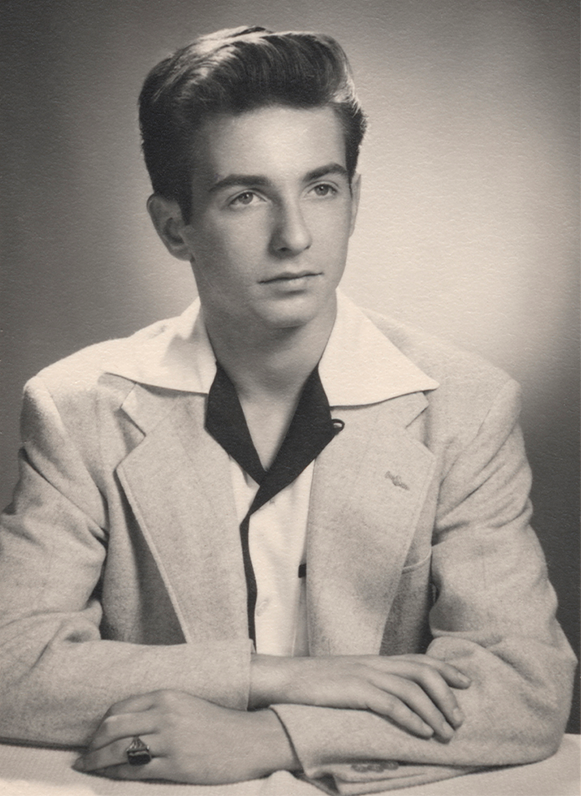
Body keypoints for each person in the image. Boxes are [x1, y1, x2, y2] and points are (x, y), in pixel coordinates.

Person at [0, 25, 575, 795]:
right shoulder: (77, 409)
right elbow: (12, 665)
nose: (295, 236)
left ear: (353, 199)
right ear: (175, 226)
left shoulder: (466, 405)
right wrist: (282, 677)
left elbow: (527, 687)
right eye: (245, 196)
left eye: (321, 187)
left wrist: (268, 736)